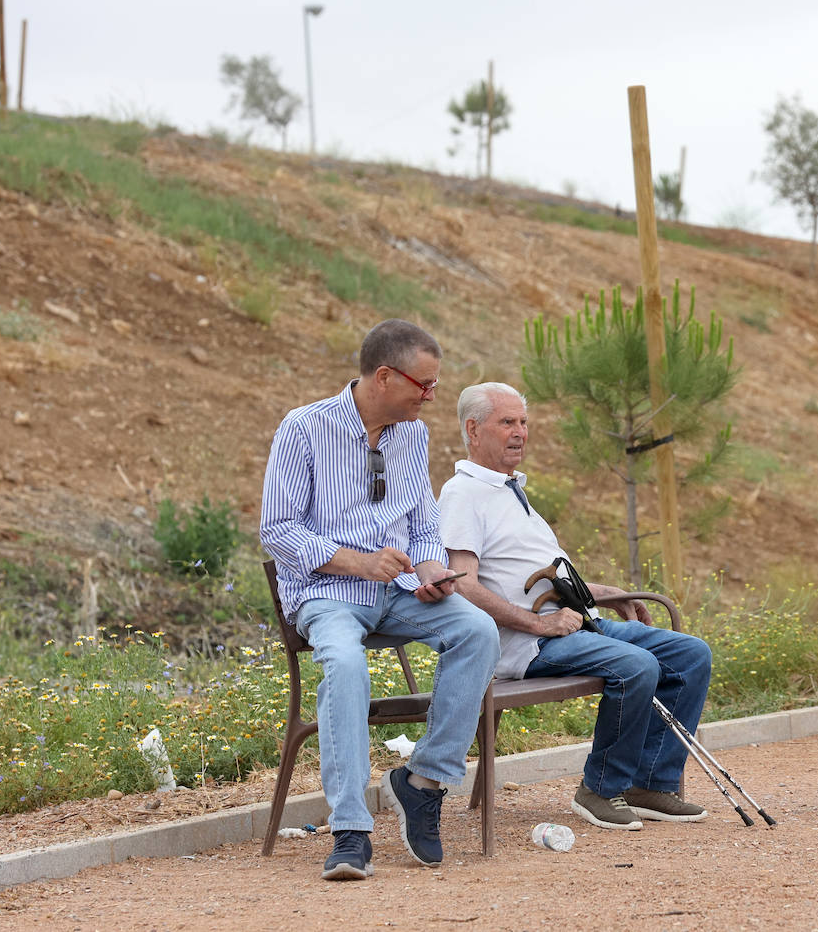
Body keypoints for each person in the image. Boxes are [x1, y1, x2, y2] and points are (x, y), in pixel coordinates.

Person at [260, 319, 499, 880]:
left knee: (478, 631)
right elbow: (278, 530)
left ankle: (423, 782)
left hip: (397, 592)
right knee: (345, 664)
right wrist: (359, 562)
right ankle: (350, 832)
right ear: (385, 377)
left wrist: (432, 570)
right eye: (425, 384)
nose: (432, 396)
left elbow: (422, 526)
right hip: (327, 593)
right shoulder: (304, 428)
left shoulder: (411, 435)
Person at [437, 381, 713, 831]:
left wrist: (611, 594)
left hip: (575, 626)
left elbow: (553, 577)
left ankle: (648, 784)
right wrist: (537, 625)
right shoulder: (463, 493)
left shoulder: (510, 490)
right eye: (507, 422)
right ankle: (600, 789)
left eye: (523, 422)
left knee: (690, 654)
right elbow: (462, 584)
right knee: (636, 665)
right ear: (473, 429)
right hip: (528, 646)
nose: (520, 432)